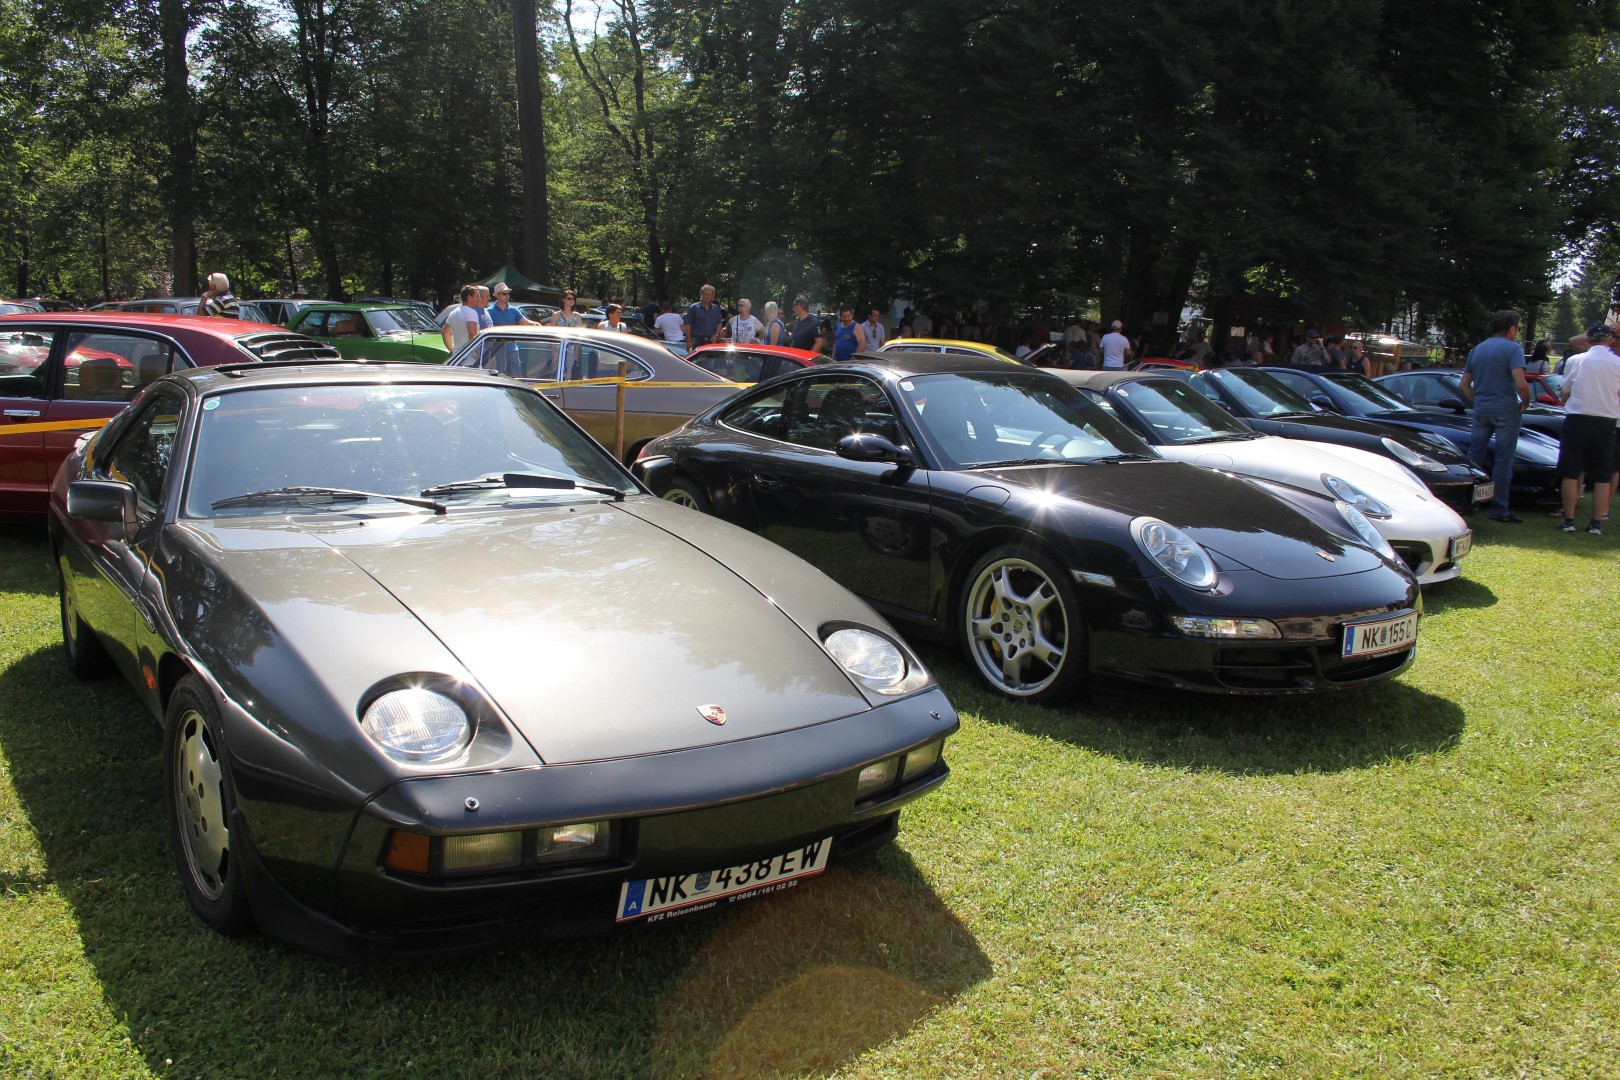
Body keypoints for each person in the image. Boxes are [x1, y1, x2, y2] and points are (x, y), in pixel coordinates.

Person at [1458, 309, 1530, 523]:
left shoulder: (1478, 349)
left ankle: (1467, 501)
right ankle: (1499, 508)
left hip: (1482, 408)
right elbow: (1520, 383)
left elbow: (1464, 384)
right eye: (1517, 328)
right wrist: (1525, 402)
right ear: (1511, 329)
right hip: (1506, 409)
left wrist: (1476, 402)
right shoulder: (1513, 349)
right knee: (1503, 460)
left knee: (1474, 458)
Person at [1554, 323, 1620, 534]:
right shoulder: (1617, 363)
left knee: (1571, 472)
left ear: (1587, 341)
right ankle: (1596, 523)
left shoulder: (1575, 361)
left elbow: (1564, 394)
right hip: (1606, 422)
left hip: (1577, 419)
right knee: (1602, 474)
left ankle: (1569, 520)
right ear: (1609, 340)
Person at [440, 284, 480, 352]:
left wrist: (452, 351)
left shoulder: (453, 313)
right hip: (470, 359)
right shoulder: (471, 313)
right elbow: (472, 334)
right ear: (469, 297)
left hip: (457, 357)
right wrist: (477, 354)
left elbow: (445, 332)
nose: (479, 299)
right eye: (477, 296)